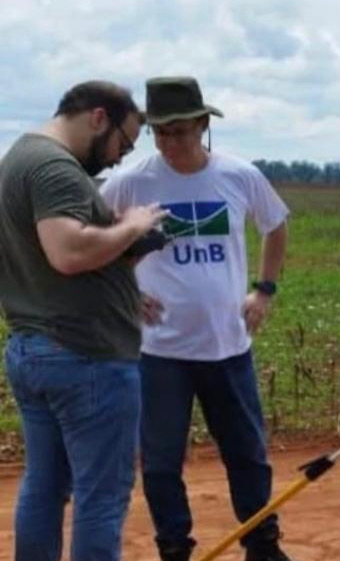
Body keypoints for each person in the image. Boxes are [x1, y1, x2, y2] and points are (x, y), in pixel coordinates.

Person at [100, 77, 291, 561]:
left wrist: (264, 290)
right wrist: (124, 292)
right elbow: (89, 240)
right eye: (161, 133)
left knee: (247, 455)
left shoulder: (240, 176)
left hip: (228, 347)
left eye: (181, 131)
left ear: (203, 124)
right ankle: (174, 548)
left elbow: (275, 225)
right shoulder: (130, 183)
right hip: (159, 352)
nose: (170, 143)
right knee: (161, 463)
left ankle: (262, 545)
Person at [0, 81, 164, 561]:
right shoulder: (56, 168)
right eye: (122, 144)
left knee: (46, 484)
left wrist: (123, 246)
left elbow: (50, 258)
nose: (117, 159)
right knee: (102, 494)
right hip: (85, 356)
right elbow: (69, 252)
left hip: (35, 347)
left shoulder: (18, 159)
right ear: (98, 118)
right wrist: (132, 225)